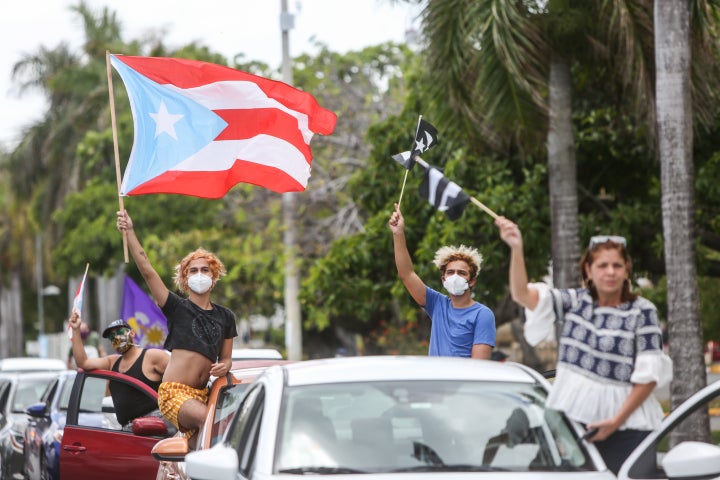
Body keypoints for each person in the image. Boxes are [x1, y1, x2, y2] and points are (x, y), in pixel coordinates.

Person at [495, 217, 671, 474]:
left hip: (629, 429)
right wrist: (516, 248)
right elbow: (522, 294)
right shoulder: (575, 302)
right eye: (602, 265)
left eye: (617, 265)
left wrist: (615, 422)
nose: (610, 272)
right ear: (588, 270)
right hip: (576, 427)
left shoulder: (642, 311)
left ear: (626, 270)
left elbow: (648, 377)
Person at [117, 209, 237, 446]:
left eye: (205, 270)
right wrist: (129, 231)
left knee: (209, 439)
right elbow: (146, 268)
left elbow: (227, 359)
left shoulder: (226, 316)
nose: (199, 274)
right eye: (193, 270)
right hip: (174, 392)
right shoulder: (176, 307)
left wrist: (225, 366)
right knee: (212, 421)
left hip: (204, 394)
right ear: (185, 278)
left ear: (214, 277)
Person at [389, 203, 496, 359]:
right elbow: (407, 274)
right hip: (435, 382)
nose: (455, 276)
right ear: (443, 279)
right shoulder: (437, 304)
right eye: (451, 272)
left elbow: (478, 367)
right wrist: (398, 234)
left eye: (462, 273)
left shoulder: (482, 315)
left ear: (472, 281)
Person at [68, 312, 170, 429]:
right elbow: (83, 363)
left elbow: (181, 378)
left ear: (132, 332)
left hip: (156, 427)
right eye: (112, 337)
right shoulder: (112, 362)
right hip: (128, 431)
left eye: (120, 333)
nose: (116, 338)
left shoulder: (153, 356)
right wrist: (76, 330)